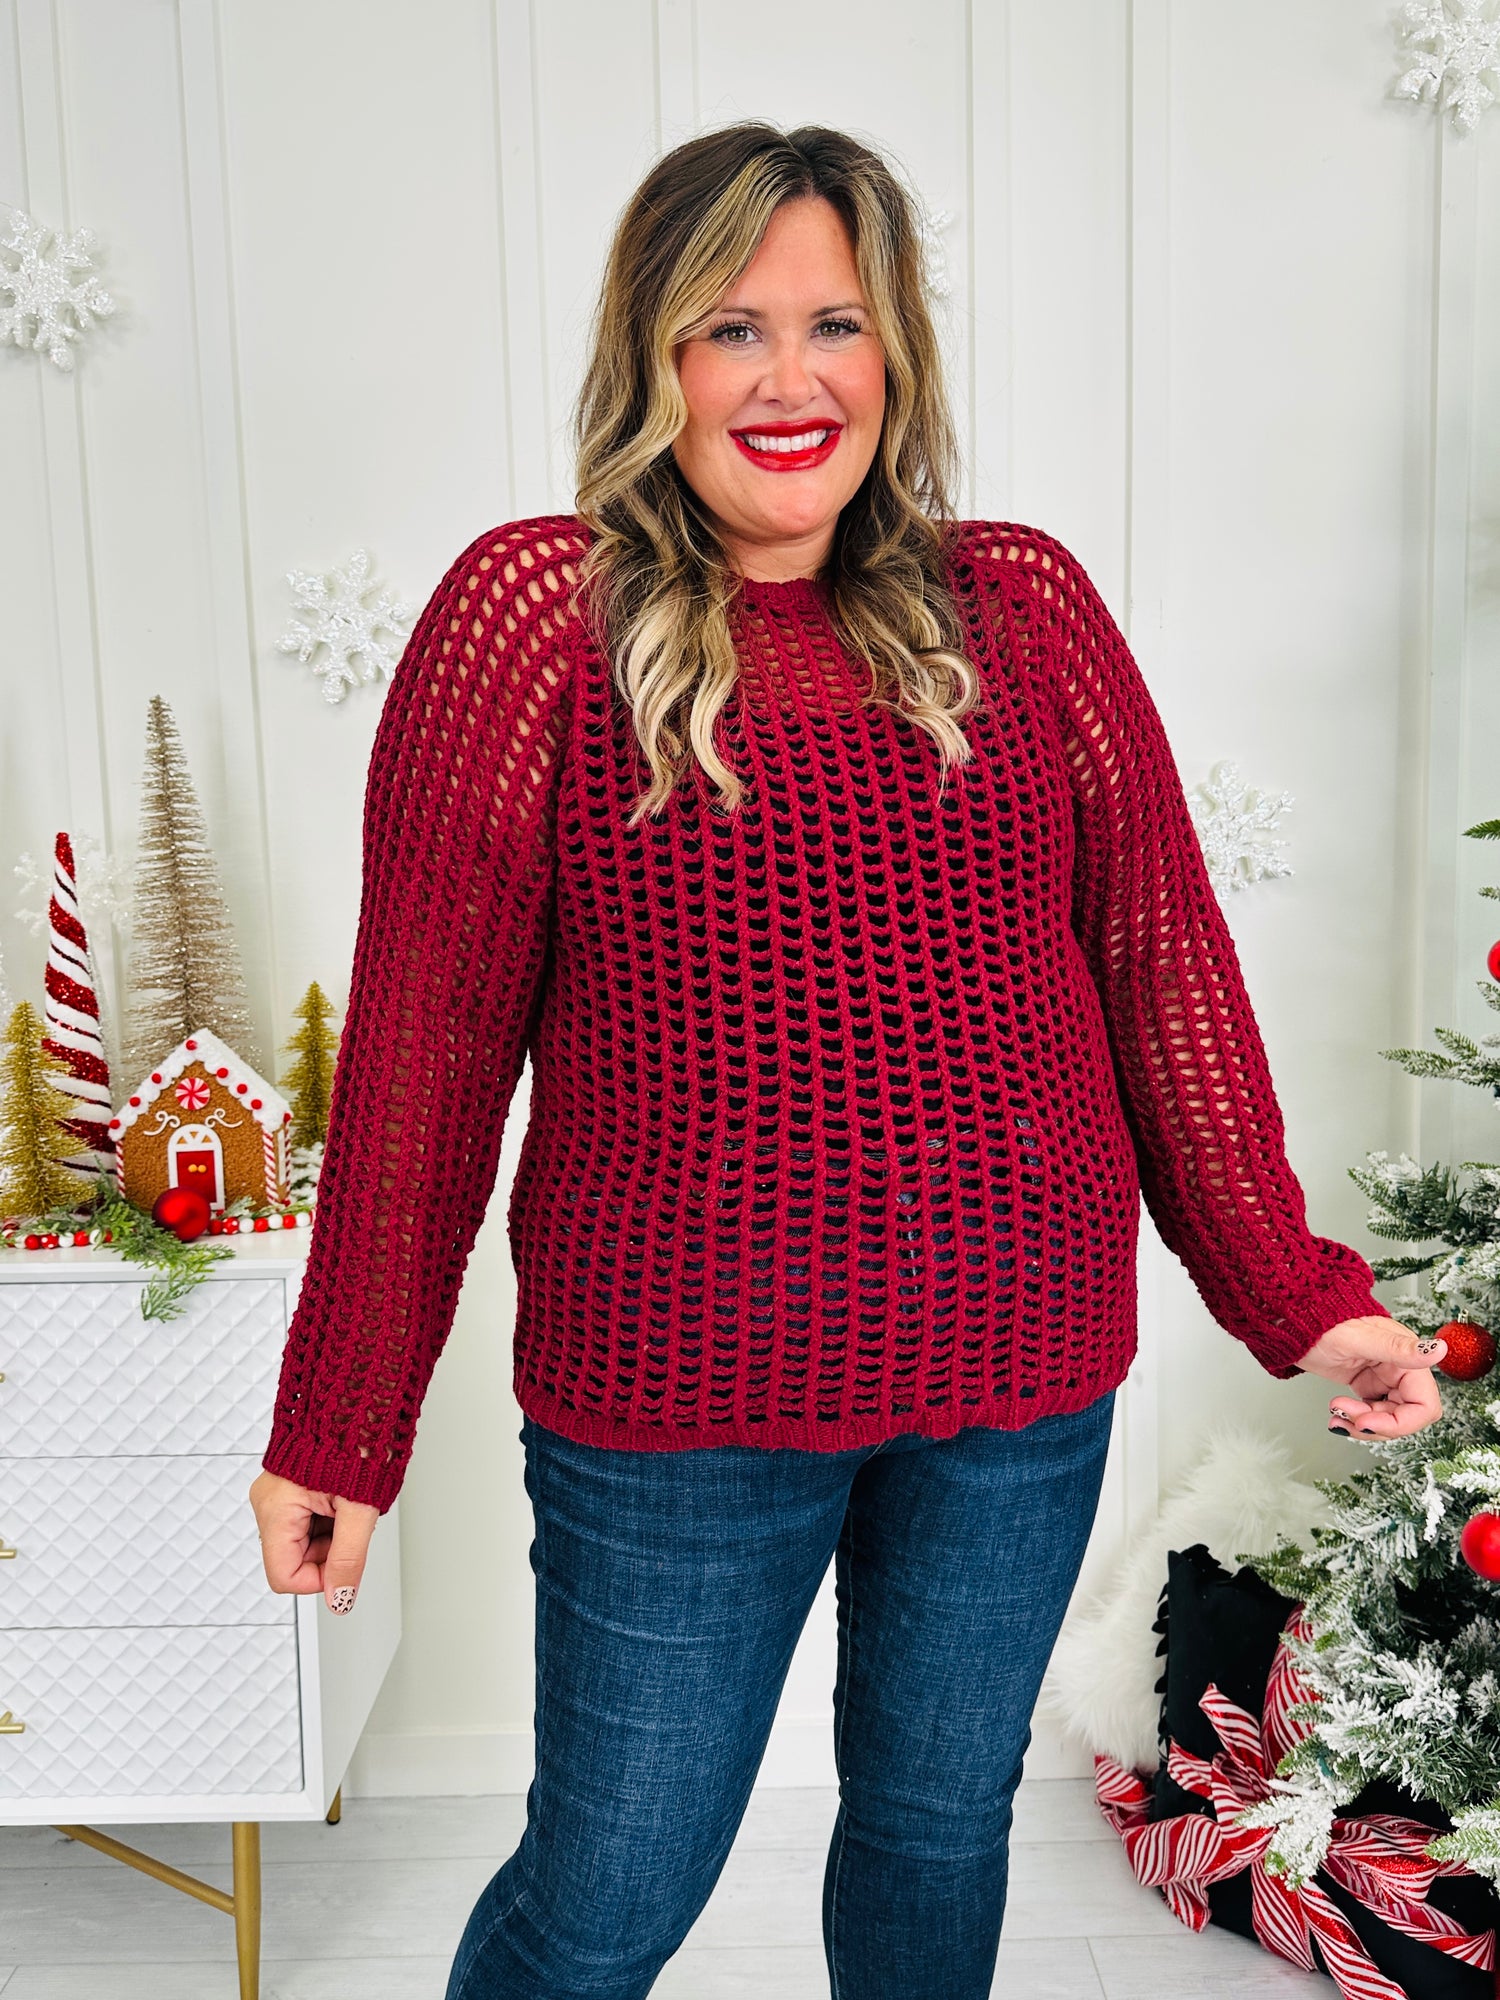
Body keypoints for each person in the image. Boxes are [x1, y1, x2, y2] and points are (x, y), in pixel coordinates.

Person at [248, 121, 1448, 2000]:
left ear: (897, 353)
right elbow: (427, 1054)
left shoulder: (1022, 608)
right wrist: (342, 1418)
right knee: (609, 1889)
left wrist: (1299, 1296)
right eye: (731, 327)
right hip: (676, 1397)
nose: (789, 379)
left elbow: (1162, 971)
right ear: (652, 357)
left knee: (933, 1829)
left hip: (1021, 1376)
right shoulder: (538, 623)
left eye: (835, 324)